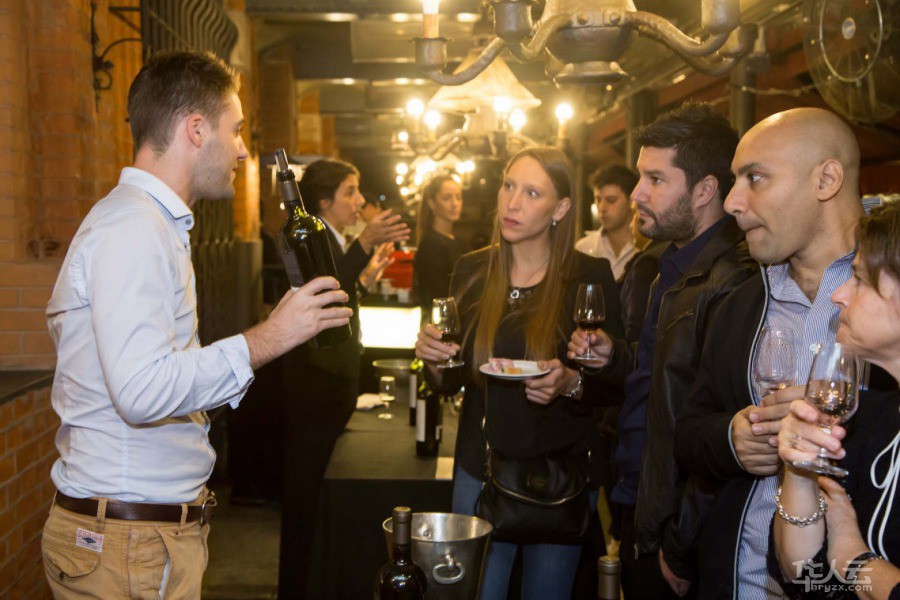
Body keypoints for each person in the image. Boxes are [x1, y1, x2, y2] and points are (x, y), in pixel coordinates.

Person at [40, 51, 353, 598]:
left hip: (138, 539)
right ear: (196, 129)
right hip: (125, 544)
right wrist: (269, 337)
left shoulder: (154, 225)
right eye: (236, 129)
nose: (242, 149)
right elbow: (141, 391)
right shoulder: (133, 228)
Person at [673, 107, 866, 599]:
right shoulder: (739, 303)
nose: (732, 202)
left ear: (826, 180)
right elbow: (689, 431)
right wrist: (732, 439)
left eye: (755, 178)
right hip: (738, 580)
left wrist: (838, 420)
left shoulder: (887, 298)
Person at [415, 146, 624, 599]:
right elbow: (452, 378)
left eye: (532, 193)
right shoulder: (472, 271)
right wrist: (433, 359)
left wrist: (571, 382)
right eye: (508, 186)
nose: (512, 203)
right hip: (480, 469)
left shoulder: (587, 277)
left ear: (560, 209)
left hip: (560, 476)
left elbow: (616, 383)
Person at [568, 102, 756, 599]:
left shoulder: (731, 281)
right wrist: (614, 357)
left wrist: (681, 543)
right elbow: (664, 378)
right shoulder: (670, 266)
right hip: (639, 500)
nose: (637, 193)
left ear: (704, 190)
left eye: (655, 179)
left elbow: (721, 427)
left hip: (672, 526)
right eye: (640, 177)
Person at [278, 158, 409, 598]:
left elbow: (341, 295)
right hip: (313, 392)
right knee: (305, 504)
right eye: (350, 192)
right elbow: (324, 289)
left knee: (318, 504)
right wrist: (365, 244)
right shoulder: (309, 238)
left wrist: (364, 275)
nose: (359, 200)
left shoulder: (333, 239)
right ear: (323, 202)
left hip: (332, 388)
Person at [774, 201, 900, 599]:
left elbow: (840, 565)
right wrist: (798, 469)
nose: (838, 295)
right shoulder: (870, 418)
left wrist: (855, 561)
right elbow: (802, 575)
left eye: (859, 279)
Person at [574, 165, 640, 280]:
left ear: (631, 201)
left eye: (611, 200)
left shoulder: (643, 249)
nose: (602, 208)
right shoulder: (583, 248)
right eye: (598, 200)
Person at [413, 173, 464, 314]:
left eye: (458, 197)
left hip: (454, 317)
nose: (454, 204)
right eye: (447, 198)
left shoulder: (456, 241)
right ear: (432, 203)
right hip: (440, 320)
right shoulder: (431, 245)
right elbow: (436, 297)